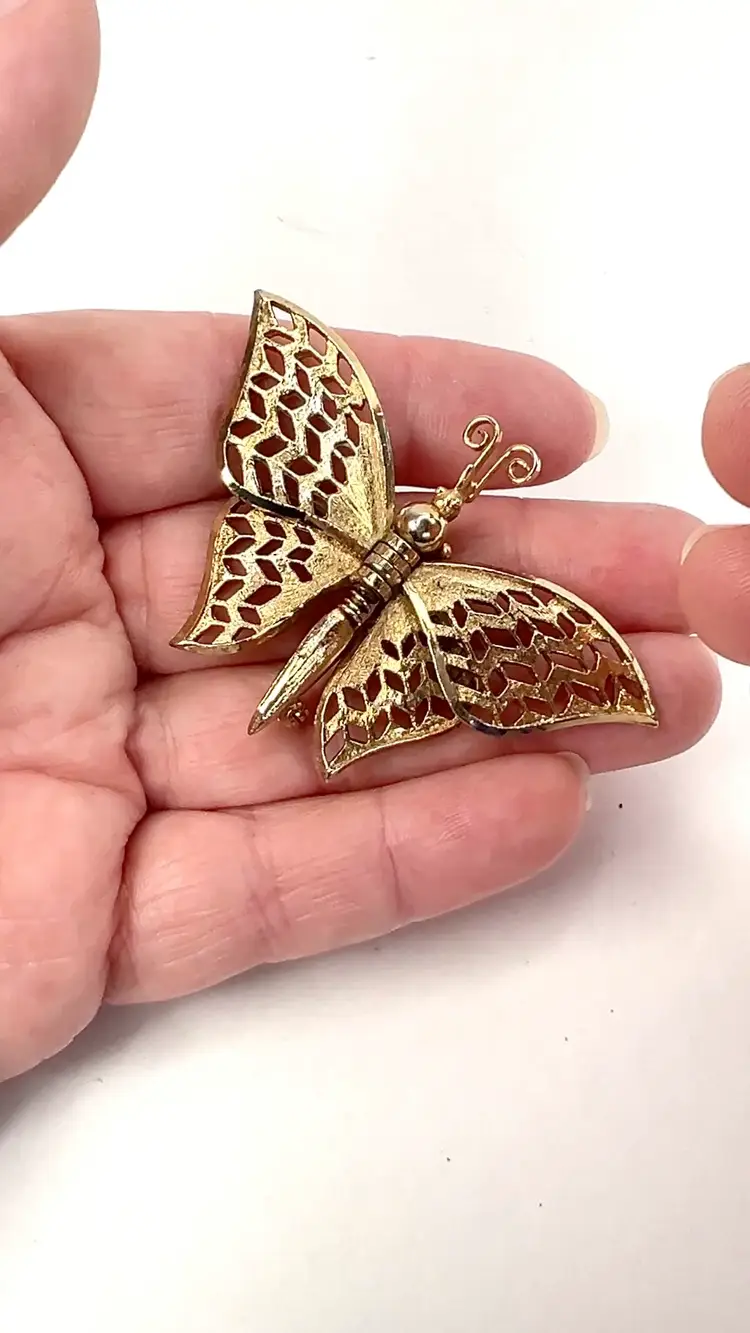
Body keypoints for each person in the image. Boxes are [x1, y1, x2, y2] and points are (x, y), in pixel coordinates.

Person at [0, 0, 745, 1082]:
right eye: (429, 519)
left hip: (317, 570)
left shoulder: (404, 526)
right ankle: (312, 690)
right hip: (343, 593)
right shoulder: (431, 542)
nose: (428, 527)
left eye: (432, 524)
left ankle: (297, 672)